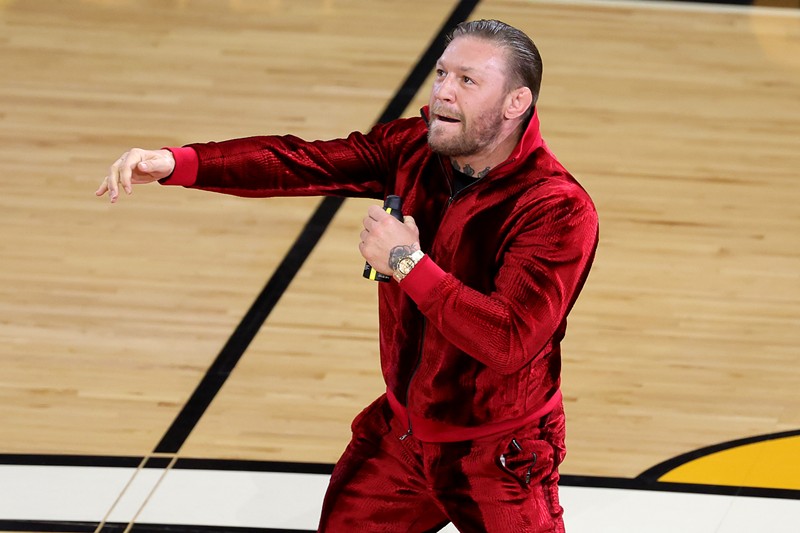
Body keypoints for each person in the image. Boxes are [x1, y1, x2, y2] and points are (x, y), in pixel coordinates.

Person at [97, 19, 598, 533]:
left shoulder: (555, 208)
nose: (444, 92)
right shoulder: (413, 148)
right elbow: (304, 161)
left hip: (498, 453)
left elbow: (509, 339)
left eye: (468, 81)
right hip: (401, 437)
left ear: (516, 103)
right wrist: (180, 163)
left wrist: (408, 264)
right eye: (442, 73)